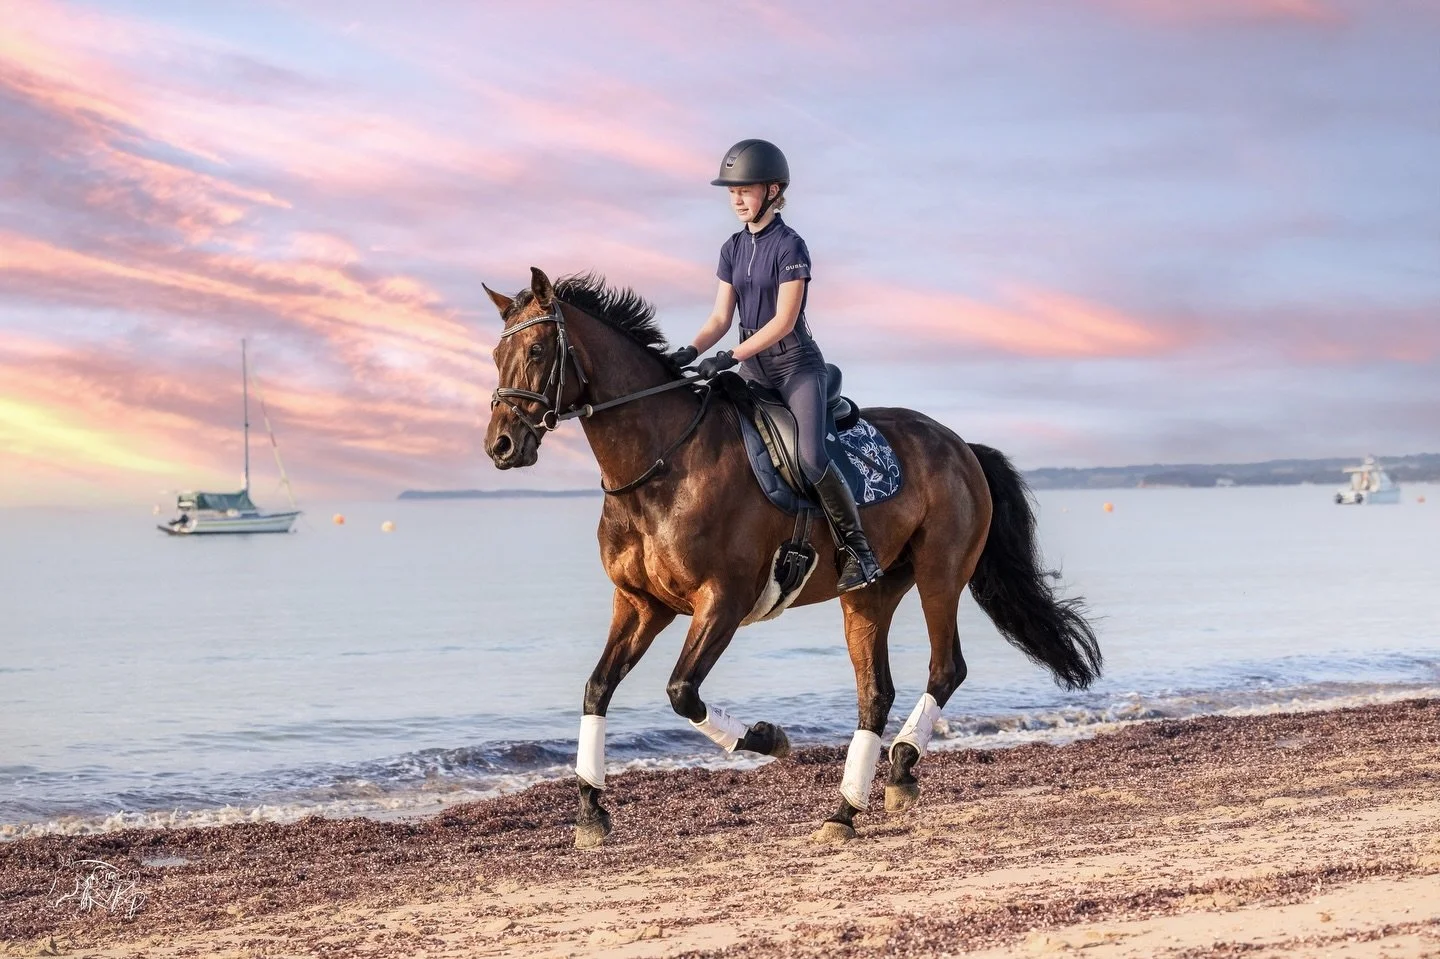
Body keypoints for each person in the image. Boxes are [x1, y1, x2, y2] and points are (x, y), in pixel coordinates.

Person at [669, 139, 882, 592]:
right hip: (754, 371)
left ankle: (859, 552)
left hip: (795, 369)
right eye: (732, 193)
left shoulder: (790, 245)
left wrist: (729, 356)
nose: (737, 200)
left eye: (744, 190)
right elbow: (720, 318)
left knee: (809, 457)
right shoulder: (730, 248)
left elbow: (784, 322)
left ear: (773, 190)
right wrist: (688, 352)